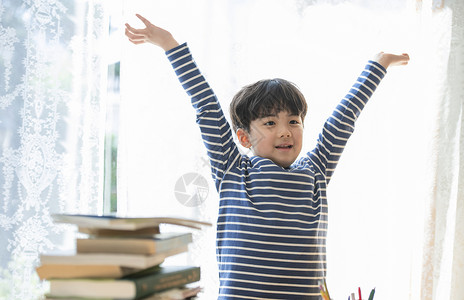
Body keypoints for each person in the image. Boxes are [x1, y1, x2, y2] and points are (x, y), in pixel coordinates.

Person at [125, 14, 410, 300]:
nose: (285, 132)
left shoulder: (315, 170)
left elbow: (344, 119)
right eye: (270, 123)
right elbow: (206, 106)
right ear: (244, 137)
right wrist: (170, 44)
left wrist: (379, 64)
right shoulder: (232, 168)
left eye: (294, 122)